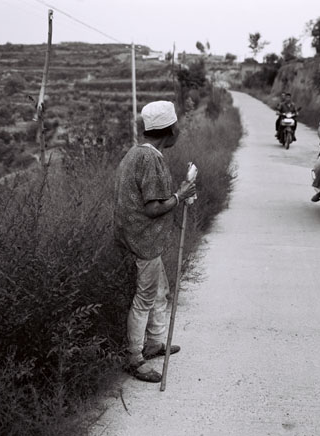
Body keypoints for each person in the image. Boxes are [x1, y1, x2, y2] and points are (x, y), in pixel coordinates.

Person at [114, 100, 196, 383]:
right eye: (177, 125)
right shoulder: (152, 159)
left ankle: (154, 343)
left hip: (135, 236)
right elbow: (152, 208)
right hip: (143, 240)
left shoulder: (136, 153)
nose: (179, 130)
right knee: (145, 297)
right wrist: (180, 196)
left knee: (159, 291)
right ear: (170, 129)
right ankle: (135, 358)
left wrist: (176, 195)